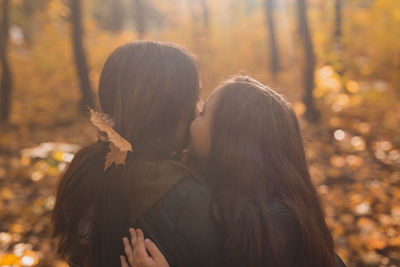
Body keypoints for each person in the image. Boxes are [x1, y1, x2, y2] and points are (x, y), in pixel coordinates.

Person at [121, 76, 347, 267]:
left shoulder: (278, 227)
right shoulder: (246, 200)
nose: (195, 112)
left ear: (229, 140)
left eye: (204, 113)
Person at [52, 41, 222, 267]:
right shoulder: (188, 195)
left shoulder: (84, 168)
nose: (198, 108)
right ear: (169, 111)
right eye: (194, 98)